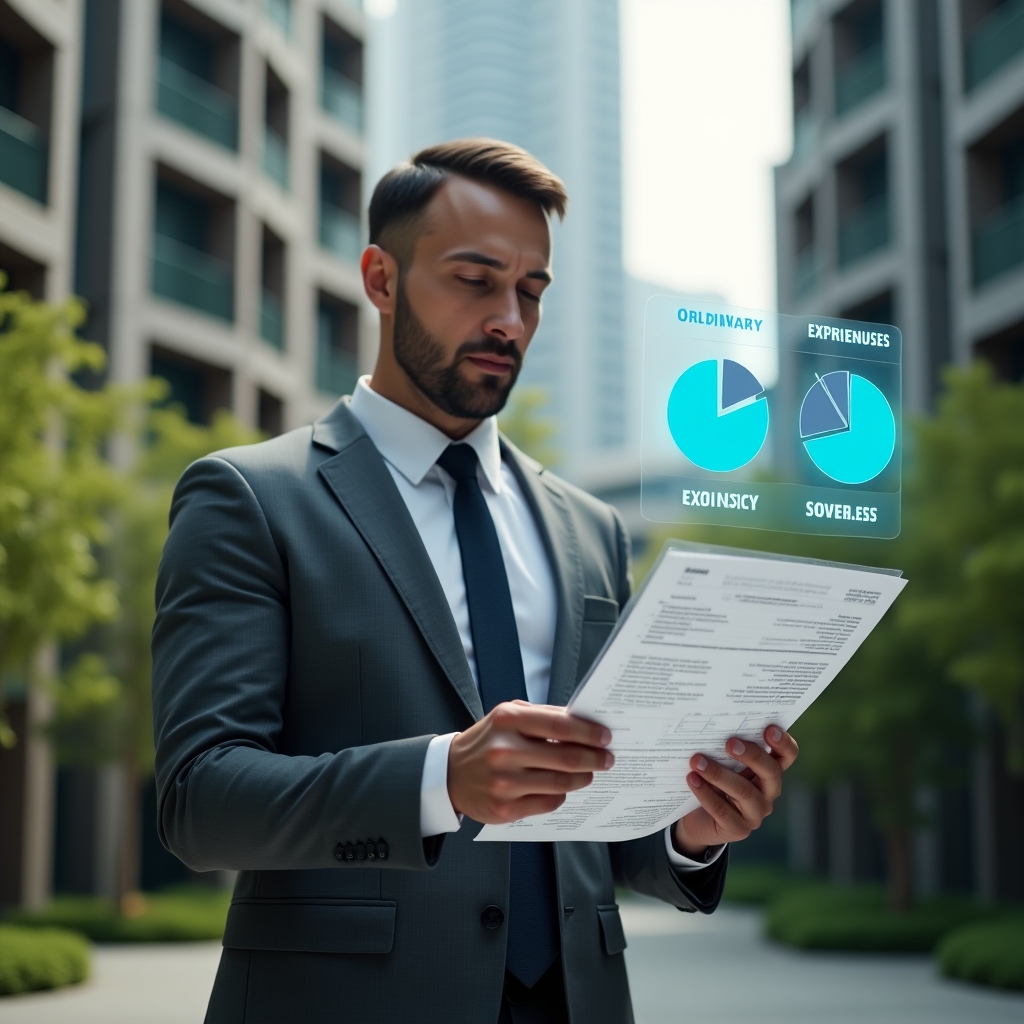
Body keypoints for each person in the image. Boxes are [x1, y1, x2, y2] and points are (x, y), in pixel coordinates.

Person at [152, 138, 799, 1024]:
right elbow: (203, 799)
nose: (510, 319)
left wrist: (691, 831)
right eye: (476, 279)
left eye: (531, 291)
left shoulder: (588, 528)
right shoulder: (251, 499)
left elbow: (598, 822)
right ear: (381, 279)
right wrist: (439, 779)